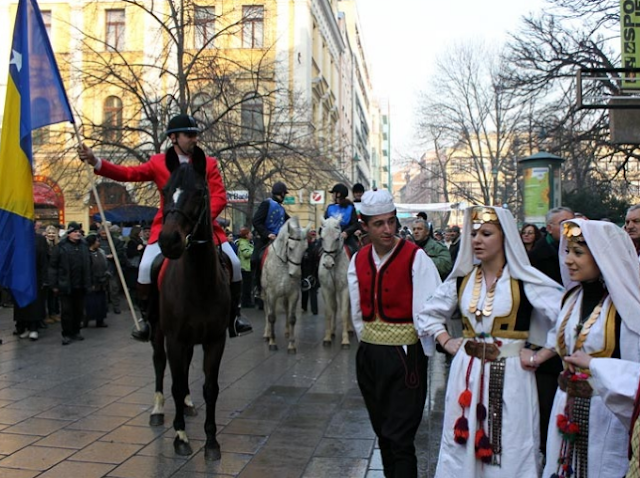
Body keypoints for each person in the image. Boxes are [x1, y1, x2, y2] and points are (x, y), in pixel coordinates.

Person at [417, 206, 563, 477]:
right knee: (462, 438)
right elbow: (427, 313)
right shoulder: (462, 280)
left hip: (512, 375)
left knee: (509, 439)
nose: (477, 240)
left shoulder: (523, 281)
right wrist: (446, 340)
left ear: (505, 237)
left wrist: (539, 355)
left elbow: (567, 317)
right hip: (466, 374)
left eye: (486, 233)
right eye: (473, 234)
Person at [79, 113, 252, 340]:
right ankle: (148, 320)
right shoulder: (158, 163)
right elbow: (129, 174)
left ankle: (234, 318)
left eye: (195, 135)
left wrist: (200, 220)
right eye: (189, 135)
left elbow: (219, 196)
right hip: (167, 228)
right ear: (173, 138)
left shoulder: (208, 164)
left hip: (204, 227)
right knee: (144, 269)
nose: (194, 139)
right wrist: (96, 161)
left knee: (236, 264)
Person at [519, 219, 640, 478]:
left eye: (578, 253)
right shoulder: (572, 298)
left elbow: (636, 374)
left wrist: (595, 364)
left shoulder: (625, 310)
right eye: (567, 252)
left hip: (606, 415)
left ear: (601, 256)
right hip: (565, 407)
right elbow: (561, 336)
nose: (568, 261)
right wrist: (538, 355)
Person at [348, 189, 441, 478]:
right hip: (370, 355)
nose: (388, 229)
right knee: (383, 434)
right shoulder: (358, 259)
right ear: (365, 226)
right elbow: (356, 309)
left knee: (400, 438)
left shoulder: (417, 258)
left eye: (391, 221)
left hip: (405, 356)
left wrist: (421, 355)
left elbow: (431, 308)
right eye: (379, 224)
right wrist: (367, 343)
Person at [528, 207, 575, 456]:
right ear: (549, 228)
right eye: (564, 223)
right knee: (547, 405)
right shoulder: (538, 256)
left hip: (573, 354)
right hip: (547, 348)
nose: (571, 261)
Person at [48, 222, 91, 345]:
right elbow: (53, 267)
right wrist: (54, 285)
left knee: (79, 310)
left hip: (81, 285)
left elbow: (89, 265)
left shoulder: (84, 246)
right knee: (67, 311)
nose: (78, 234)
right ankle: (66, 333)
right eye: (75, 232)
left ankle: (76, 331)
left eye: (79, 232)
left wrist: (89, 282)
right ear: (69, 234)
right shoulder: (61, 247)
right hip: (66, 285)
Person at [251, 181, 290, 301]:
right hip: (265, 239)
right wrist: (267, 234)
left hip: (280, 241)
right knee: (255, 260)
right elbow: (256, 221)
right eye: (285, 194)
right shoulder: (266, 204)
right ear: (282, 194)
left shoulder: (282, 209)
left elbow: (289, 222)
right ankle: (257, 287)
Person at [13, 223, 48, 341]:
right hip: (20, 277)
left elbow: (44, 259)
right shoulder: (16, 239)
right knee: (22, 304)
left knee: (35, 304)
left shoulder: (40, 239)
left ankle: (34, 328)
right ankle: (24, 326)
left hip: (35, 276)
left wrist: (44, 278)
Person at [98, 224, 129, 315]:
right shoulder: (97, 241)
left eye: (105, 233)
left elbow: (120, 252)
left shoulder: (116, 241)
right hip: (101, 268)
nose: (104, 235)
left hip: (113, 268)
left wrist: (114, 256)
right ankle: (104, 307)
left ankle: (116, 306)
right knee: (103, 289)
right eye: (102, 233)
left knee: (114, 288)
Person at [325, 183, 360, 255]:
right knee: (315, 248)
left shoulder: (350, 208)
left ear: (338, 194)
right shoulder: (330, 207)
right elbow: (325, 221)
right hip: (331, 236)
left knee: (355, 251)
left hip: (346, 236)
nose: (332, 195)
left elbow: (355, 224)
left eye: (333, 193)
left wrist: (347, 232)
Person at [84, 234, 109, 328]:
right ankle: (86, 320)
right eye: (97, 241)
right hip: (92, 282)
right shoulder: (86, 254)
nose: (99, 243)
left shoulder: (100, 252)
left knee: (101, 303)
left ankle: (100, 320)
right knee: (90, 303)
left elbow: (104, 264)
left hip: (102, 281)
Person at [43, 225, 61, 324]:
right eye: (49, 233)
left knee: (54, 295)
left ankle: (54, 313)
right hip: (46, 273)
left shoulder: (57, 245)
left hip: (55, 273)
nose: (51, 235)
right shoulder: (44, 245)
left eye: (53, 233)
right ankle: (46, 315)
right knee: (47, 296)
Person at [301, 229, 321, 315]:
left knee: (313, 291)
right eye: (311, 234)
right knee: (304, 290)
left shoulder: (317, 244)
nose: (313, 236)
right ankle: (304, 306)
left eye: (314, 234)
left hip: (314, 270)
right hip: (305, 270)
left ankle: (314, 310)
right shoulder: (305, 245)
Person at [236, 227, 254, 309]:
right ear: (246, 235)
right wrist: (254, 251)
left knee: (248, 286)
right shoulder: (243, 243)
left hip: (247, 267)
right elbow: (246, 254)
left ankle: (247, 302)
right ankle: (246, 302)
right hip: (245, 267)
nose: (251, 235)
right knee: (246, 286)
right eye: (250, 233)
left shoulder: (247, 242)